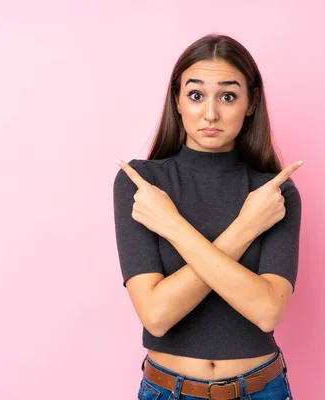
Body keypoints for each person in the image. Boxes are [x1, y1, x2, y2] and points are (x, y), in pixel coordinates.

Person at [113, 34, 303, 400]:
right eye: (196, 95)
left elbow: (266, 312)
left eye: (228, 96)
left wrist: (172, 226)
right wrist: (245, 228)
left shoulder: (273, 195)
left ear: (251, 103)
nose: (210, 113)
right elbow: (156, 314)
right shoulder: (143, 187)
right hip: (169, 390)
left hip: (261, 388)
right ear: (177, 100)